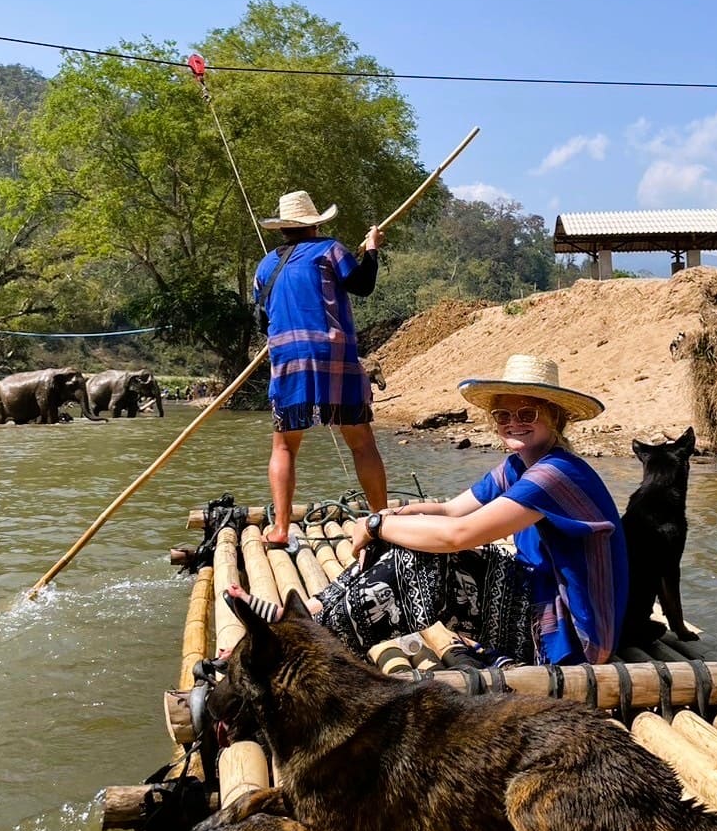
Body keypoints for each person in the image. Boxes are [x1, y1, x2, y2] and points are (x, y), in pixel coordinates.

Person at [230, 354, 629, 666]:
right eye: (503, 415)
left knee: (426, 562)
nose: (513, 423)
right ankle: (307, 613)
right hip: (537, 596)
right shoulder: (519, 466)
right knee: (403, 537)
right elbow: (451, 510)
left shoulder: (557, 474)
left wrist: (376, 525)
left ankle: (298, 641)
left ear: (555, 417)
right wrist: (389, 519)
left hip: (572, 635)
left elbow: (457, 535)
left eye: (528, 414)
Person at [254, 190, 388, 551]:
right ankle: (381, 519)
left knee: (284, 446)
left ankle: (280, 528)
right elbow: (363, 285)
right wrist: (372, 249)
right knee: (361, 441)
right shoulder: (330, 249)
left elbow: (263, 320)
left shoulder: (264, 266)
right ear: (314, 224)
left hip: (287, 358)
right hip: (334, 355)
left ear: (284, 228)